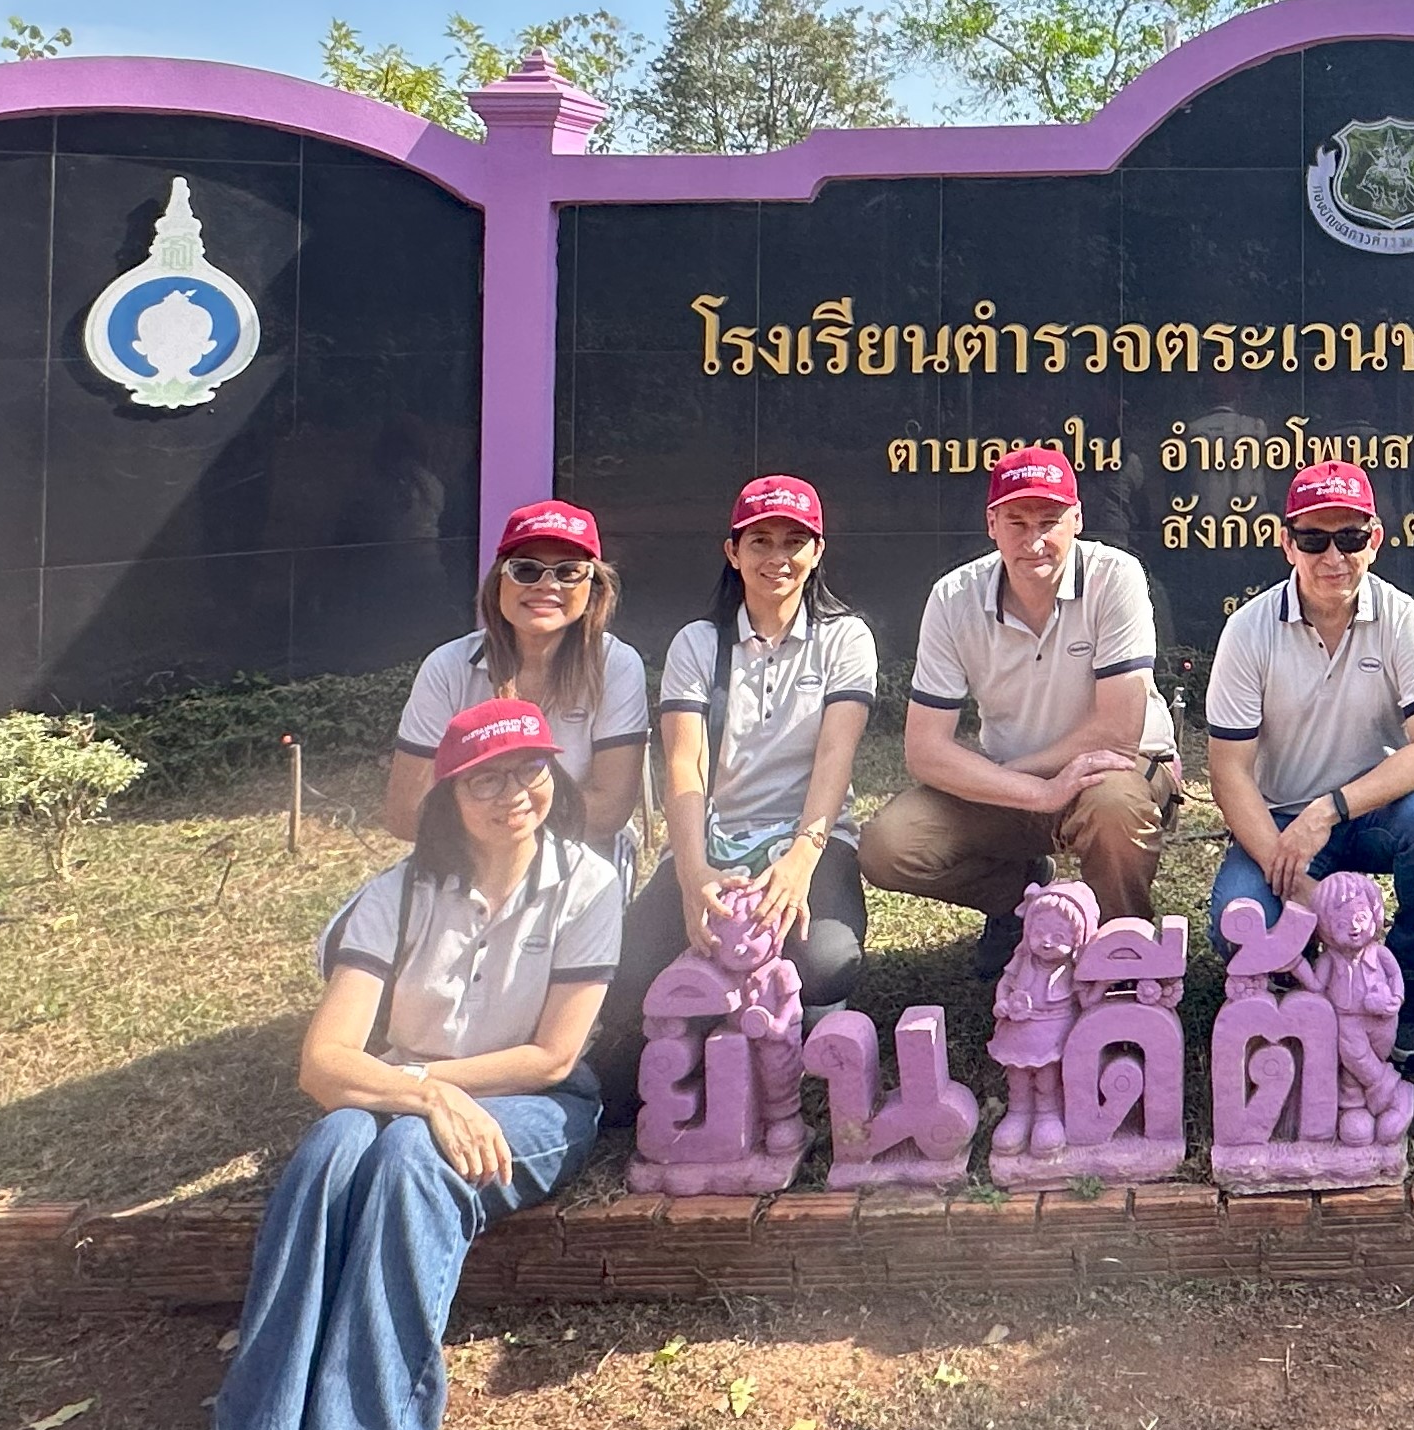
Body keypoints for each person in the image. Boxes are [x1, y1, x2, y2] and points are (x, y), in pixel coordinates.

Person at [146, 698, 621, 1430]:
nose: (513, 791)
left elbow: (553, 1057)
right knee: (330, 1148)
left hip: (537, 1111)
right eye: (486, 775)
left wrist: (419, 1089)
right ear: (448, 792)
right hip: (405, 1097)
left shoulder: (589, 883)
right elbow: (323, 1063)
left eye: (530, 768)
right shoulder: (396, 893)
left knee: (409, 1153)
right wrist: (419, 1092)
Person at [610, 474, 876, 1115]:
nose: (776, 557)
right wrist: (693, 873)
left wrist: (799, 860)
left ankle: (789, 1016)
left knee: (828, 960)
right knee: (632, 970)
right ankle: (687, 1046)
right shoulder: (697, 644)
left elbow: (834, 760)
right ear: (733, 551)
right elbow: (684, 766)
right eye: (760, 540)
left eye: (794, 540)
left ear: (817, 550)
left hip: (809, 838)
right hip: (718, 839)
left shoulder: (846, 638)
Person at [861, 445, 1180, 965]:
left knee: (1115, 804)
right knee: (889, 845)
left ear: (1077, 519)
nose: (1034, 541)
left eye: (1050, 521)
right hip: (1019, 784)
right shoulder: (953, 597)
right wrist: (1033, 791)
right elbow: (923, 751)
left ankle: (1124, 956)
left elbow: (1119, 731)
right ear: (992, 523)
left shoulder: (1115, 576)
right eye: (1017, 521)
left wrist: (1019, 778)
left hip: (1113, 771)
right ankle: (1029, 903)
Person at [1201, 458, 1414, 1041]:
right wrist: (1299, 886)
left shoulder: (1404, 620)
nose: (1332, 556)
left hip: (1373, 814)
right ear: (1285, 543)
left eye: (1349, 538)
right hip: (1281, 819)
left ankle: (1407, 972)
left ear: (1374, 540)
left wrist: (1330, 808)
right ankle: (1312, 986)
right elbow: (1230, 775)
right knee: (1236, 928)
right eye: (1313, 538)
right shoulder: (1248, 630)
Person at [382, 499, 649, 871]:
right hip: (465, 855)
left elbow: (609, 810)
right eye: (526, 570)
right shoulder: (446, 667)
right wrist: (496, 852)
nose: (546, 585)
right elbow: (405, 812)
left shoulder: (618, 666)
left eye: (569, 571)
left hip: (583, 847)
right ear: (498, 581)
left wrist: (499, 829)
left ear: (594, 587)